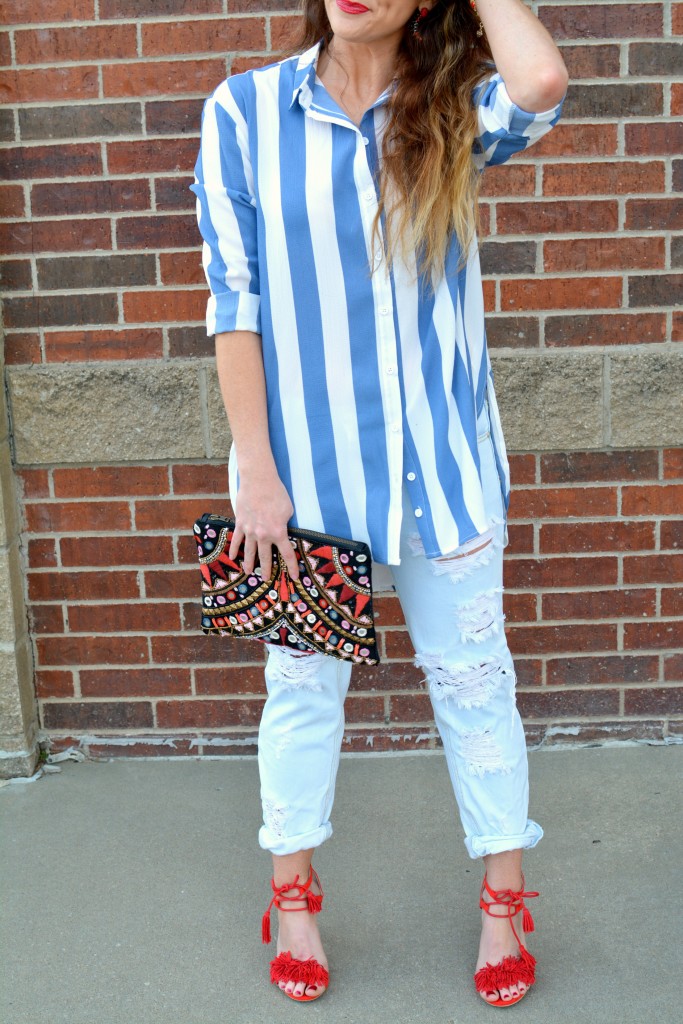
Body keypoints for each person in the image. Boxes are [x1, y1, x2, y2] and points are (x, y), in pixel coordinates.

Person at [191, 0, 567, 1008]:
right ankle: (293, 896)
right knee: (302, 693)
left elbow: (537, 84)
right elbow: (235, 303)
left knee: (475, 686)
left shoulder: (449, 107)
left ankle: (502, 906)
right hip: (301, 488)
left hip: (444, 471)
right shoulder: (243, 112)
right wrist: (255, 473)